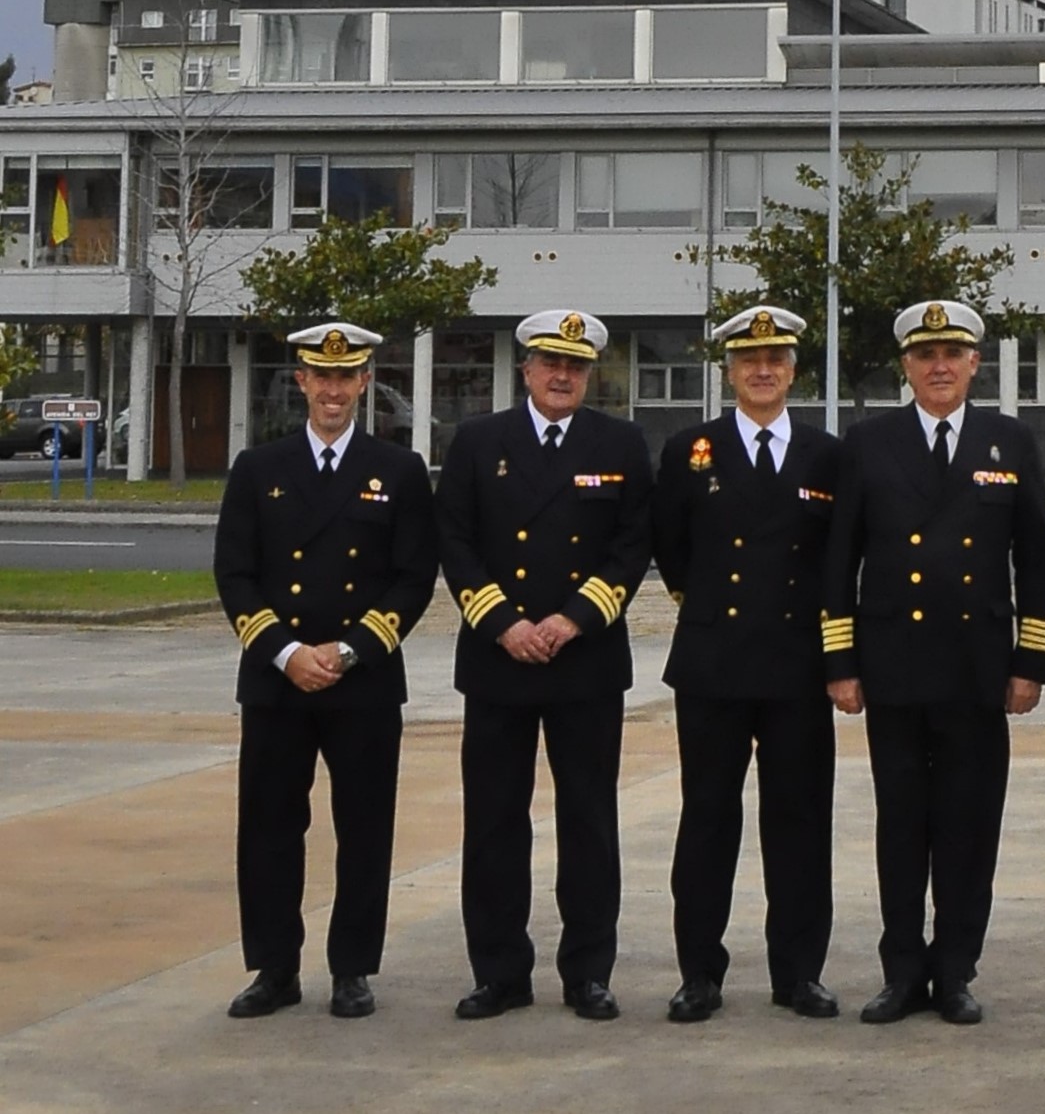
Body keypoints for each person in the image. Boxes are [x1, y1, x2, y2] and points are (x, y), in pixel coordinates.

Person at [820, 297, 1045, 1026]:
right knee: (901, 824)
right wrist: (841, 660)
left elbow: (1037, 561)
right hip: (894, 665)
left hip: (977, 669)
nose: (940, 365)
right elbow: (840, 559)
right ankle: (900, 970)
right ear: (907, 366)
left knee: (968, 823)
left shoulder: (1008, 441)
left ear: (975, 362)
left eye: (953, 353)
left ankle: (956, 967)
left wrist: (1031, 662)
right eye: (926, 355)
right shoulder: (868, 441)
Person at [435, 305, 655, 1022]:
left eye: (577, 365)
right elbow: (456, 543)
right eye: (550, 362)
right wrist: (505, 622)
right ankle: (499, 971)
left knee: (588, 820)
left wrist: (570, 618)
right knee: (496, 821)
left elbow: (632, 547)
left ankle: (588, 970)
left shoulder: (620, 442)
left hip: (583, 660)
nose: (562, 375)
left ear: (591, 373)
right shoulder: (476, 441)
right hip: (499, 660)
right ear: (525, 367)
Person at [212, 319, 437, 1021]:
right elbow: (235, 572)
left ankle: (352, 968)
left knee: (364, 827)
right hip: (278, 679)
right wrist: (285, 651)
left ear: (366, 382)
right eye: (321, 375)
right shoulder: (258, 468)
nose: (334, 389)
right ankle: (274, 968)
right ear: (301, 380)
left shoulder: (398, 469)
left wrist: (347, 651)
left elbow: (412, 577)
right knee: (270, 827)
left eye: (348, 377)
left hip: (362, 678)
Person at [653, 303, 842, 1024]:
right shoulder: (690, 450)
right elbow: (671, 547)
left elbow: (836, 558)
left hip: (798, 663)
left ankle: (799, 971)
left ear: (793, 370)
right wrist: (705, 607)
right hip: (712, 662)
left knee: (798, 819)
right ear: (729, 369)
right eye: (747, 359)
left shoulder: (826, 455)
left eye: (776, 359)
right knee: (707, 818)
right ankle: (698, 970)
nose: (762, 370)